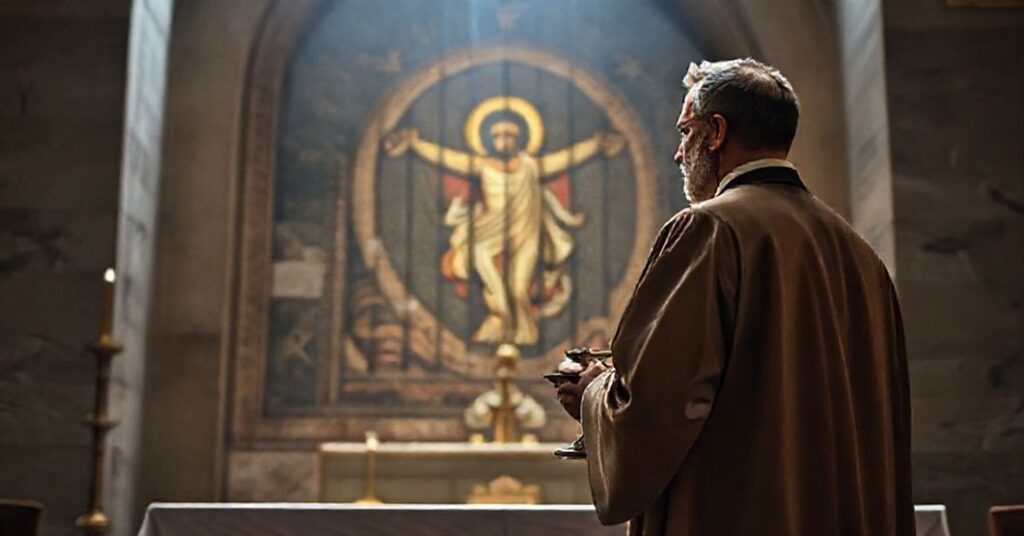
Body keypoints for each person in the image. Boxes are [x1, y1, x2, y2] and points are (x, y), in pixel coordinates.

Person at [555, 58, 914, 535]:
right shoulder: (863, 258)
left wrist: (595, 392)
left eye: (686, 133)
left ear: (716, 133)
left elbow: (658, 408)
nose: (679, 154)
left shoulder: (708, 228)